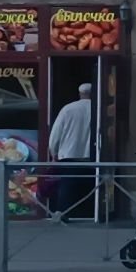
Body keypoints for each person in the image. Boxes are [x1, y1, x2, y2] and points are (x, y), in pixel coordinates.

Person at [45, 84, 97, 219]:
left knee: (67, 186)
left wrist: (53, 152)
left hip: (68, 155)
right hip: (91, 156)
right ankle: (90, 214)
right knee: (90, 187)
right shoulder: (98, 109)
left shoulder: (68, 109)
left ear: (80, 94)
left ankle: (63, 213)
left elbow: (55, 133)